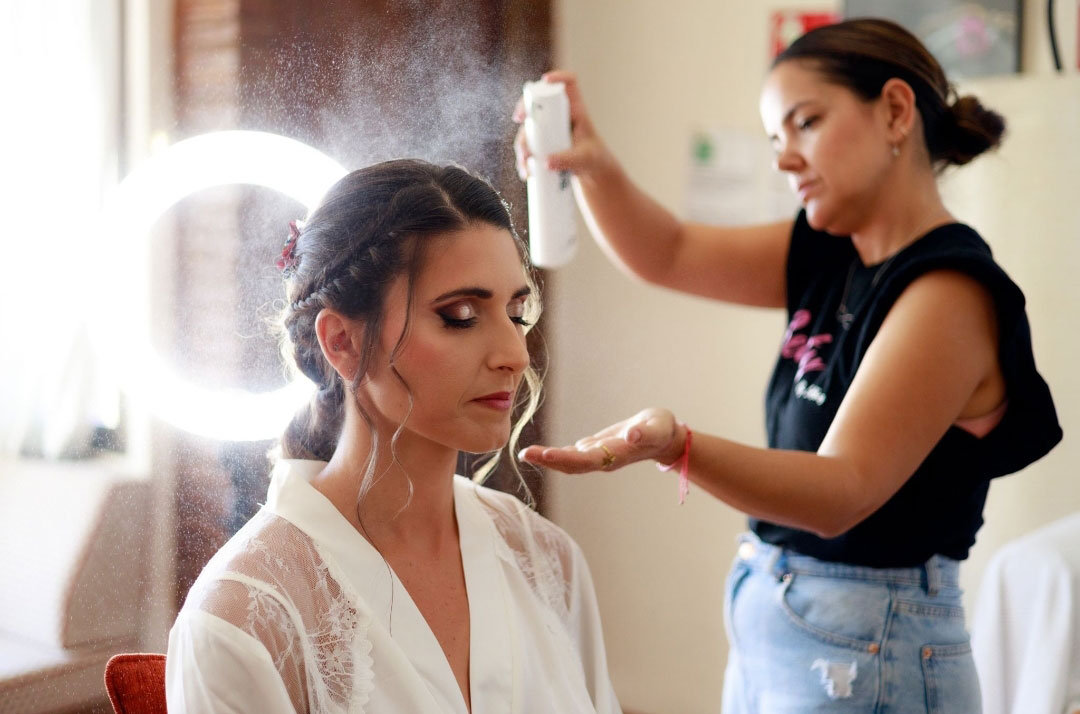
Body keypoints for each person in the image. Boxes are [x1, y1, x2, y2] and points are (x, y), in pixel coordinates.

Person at [513, 18, 1061, 713]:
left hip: (873, 646)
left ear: (896, 111)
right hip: (793, 623)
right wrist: (591, 164)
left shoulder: (948, 293)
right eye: (775, 139)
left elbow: (841, 490)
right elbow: (667, 252)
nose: (784, 160)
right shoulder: (832, 252)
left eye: (805, 123)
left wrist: (677, 446)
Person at [166, 159, 622, 714]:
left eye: (516, 313)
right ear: (342, 341)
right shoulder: (244, 621)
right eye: (460, 315)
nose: (514, 355)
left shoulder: (547, 561)